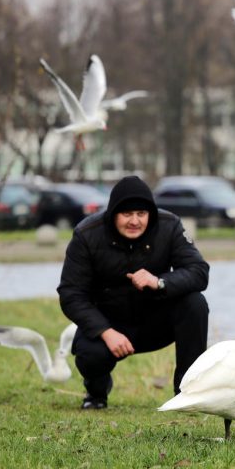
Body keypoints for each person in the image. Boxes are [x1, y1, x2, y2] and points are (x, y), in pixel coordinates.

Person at [57, 175, 209, 409]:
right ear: (113, 214)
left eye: (141, 214)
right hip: (109, 324)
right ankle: (96, 395)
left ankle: (187, 395)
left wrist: (159, 282)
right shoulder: (86, 234)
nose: (135, 221)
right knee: (90, 354)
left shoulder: (170, 226)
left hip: (156, 322)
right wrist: (106, 332)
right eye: (126, 214)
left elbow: (199, 272)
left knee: (195, 304)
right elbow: (70, 294)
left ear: (150, 213)